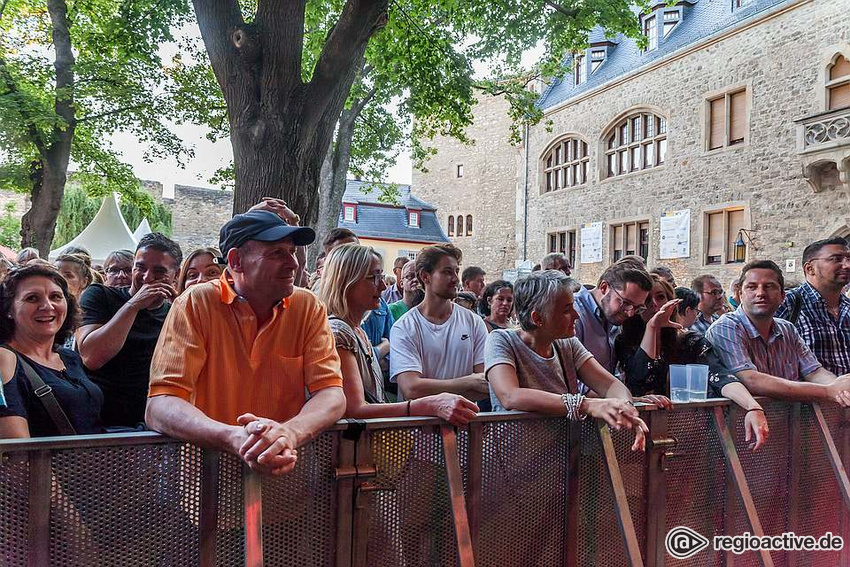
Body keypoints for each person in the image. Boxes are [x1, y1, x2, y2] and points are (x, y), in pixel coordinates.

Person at [146, 209, 345, 476]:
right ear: (236, 261)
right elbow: (160, 404)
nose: (293, 263)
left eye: (291, 251)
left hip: (286, 488)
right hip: (209, 486)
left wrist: (289, 433)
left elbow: (332, 393)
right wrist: (233, 437)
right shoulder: (196, 303)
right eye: (277, 254)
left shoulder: (307, 306)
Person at [486, 270, 648, 451]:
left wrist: (626, 408)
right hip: (509, 462)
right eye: (566, 310)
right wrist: (586, 405)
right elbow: (510, 396)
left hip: (560, 460)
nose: (576, 315)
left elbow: (610, 385)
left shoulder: (567, 343)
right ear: (537, 318)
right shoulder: (500, 340)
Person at [321, 243, 477, 423]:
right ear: (346, 281)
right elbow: (356, 408)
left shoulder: (357, 332)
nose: (382, 287)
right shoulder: (340, 332)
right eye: (373, 278)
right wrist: (426, 405)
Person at [615, 275, 769, 449]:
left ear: (671, 302)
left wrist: (752, 407)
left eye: (660, 297)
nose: (654, 304)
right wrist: (652, 327)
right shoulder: (623, 341)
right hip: (636, 435)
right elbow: (640, 377)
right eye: (647, 299)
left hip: (686, 435)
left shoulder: (690, 341)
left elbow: (720, 376)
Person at [706, 260, 850, 406]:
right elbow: (750, 380)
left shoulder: (787, 329)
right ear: (740, 295)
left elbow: (814, 372)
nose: (760, 293)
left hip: (788, 425)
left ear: (782, 295)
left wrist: (841, 389)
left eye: (769, 287)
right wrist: (828, 391)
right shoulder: (726, 327)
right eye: (752, 287)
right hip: (741, 424)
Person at [76, 233, 181, 427]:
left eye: (159, 271)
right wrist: (133, 305)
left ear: (175, 275)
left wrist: (181, 309)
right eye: (140, 267)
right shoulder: (100, 295)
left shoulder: (176, 311)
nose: (147, 277)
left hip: (152, 424)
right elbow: (92, 357)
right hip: (99, 421)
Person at [0, 264, 103, 437]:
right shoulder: (4, 359)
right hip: (47, 464)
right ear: (9, 309)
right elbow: (16, 452)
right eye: (32, 298)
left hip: (94, 462)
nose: (47, 306)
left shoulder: (69, 357)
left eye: (55, 296)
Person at [390, 244, 490, 409]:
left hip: (464, 426)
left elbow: (485, 384)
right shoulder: (404, 327)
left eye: (456, 271)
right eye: (447, 272)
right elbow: (411, 388)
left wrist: (429, 388)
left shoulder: (473, 322)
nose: (456, 279)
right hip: (418, 430)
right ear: (425, 276)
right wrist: (468, 382)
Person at [776, 237, 850, 376]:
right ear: (810, 268)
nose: (847, 265)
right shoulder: (788, 304)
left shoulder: (847, 307)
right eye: (836, 259)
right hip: (809, 395)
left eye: (848, 259)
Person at [572, 262, 654, 375]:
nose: (630, 313)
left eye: (637, 308)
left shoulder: (612, 316)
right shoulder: (573, 313)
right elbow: (569, 380)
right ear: (604, 287)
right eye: (625, 303)